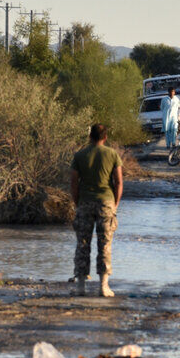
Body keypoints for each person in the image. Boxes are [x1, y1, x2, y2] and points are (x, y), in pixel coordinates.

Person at [69, 123, 124, 297]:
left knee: (82, 244)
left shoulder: (80, 155)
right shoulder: (112, 154)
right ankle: (103, 286)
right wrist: (115, 204)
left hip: (85, 202)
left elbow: (73, 183)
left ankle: (80, 286)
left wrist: (77, 202)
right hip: (106, 202)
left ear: (90, 137)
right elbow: (119, 182)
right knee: (105, 244)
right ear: (105, 137)